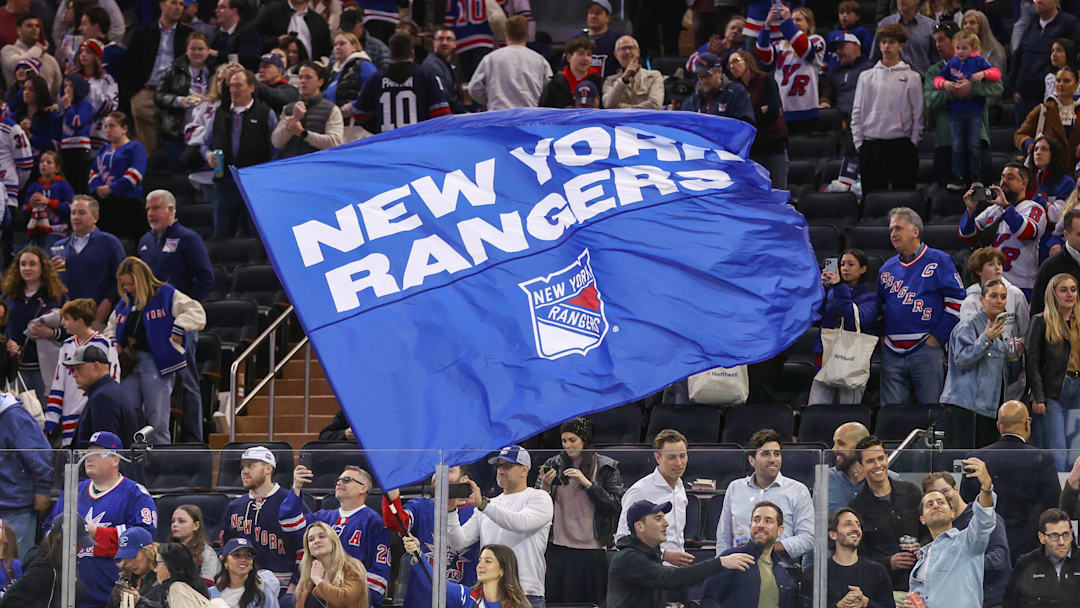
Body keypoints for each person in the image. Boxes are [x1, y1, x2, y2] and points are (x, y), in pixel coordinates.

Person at [46, 431, 158, 608]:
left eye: (97, 453)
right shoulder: (73, 489)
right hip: (69, 591)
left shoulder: (136, 494)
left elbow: (145, 539)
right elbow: (50, 531)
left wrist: (96, 533)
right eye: (87, 452)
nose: (89, 458)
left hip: (112, 593)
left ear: (115, 459)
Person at [137, 189, 212, 442]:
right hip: (151, 326)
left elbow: (205, 277)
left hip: (180, 327)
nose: (151, 214)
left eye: (156, 208)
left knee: (187, 381)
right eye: (148, 209)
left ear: (171, 209)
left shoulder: (187, 238)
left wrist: (184, 312)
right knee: (154, 383)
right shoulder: (145, 242)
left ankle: (194, 441)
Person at [106, 256, 205, 444]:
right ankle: (134, 464)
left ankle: (161, 465)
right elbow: (111, 326)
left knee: (157, 420)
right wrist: (113, 342)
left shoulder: (166, 294)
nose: (127, 288)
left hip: (156, 364)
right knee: (131, 417)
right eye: (124, 284)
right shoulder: (125, 303)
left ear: (142, 279)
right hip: (128, 364)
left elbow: (197, 312)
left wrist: (179, 327)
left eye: (130, 284)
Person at [878, 207, 966, 404]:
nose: (893, 234)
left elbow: (958, 301)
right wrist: (883, 335)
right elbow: (879, 307)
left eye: (898, 228)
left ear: (915, 231)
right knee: (891, 416)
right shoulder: (886, 269)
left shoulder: (939, 260)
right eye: (891, 230)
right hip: (892, 351)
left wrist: (938, 337)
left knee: (931, 412)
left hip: (926, 349)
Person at [448, 445, 552, 608]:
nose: (501, 470)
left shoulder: (539, 498)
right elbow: (458, 542)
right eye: (499, 466)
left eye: (507, 466)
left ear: (524, 470)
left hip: (526, 594)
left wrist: (483, 504)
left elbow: (521, 523)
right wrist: (450, 509)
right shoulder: (489, 505)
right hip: (490, 595)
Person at [959, 401, 1062, 562]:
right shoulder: (1042, 459)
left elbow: (966, 506)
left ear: (999, 426)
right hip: (1029, 550)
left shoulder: (974, 458)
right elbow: (1052, 506)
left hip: (985, 549)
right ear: (1027, 424)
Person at [536, 417, 624, 604]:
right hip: (558, 549)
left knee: (590, 602)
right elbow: (537, 507)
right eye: (564, 441)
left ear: (584, 440)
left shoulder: (606, 467)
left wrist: (588, 484)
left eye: (572, 440)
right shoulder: (554, 463)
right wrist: (544, 486)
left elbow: (614, 506)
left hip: (591, 551)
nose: (568, 445)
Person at [607, 499, 756, 608]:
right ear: (639, 527)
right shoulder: (628, 559)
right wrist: (720, 562)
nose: (666, 523)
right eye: (658, 518)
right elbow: (670, 578)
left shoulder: (650, 555)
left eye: (664, 518)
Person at [279, 464, 391, 605]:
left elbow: (379, 571)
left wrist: (358, 599)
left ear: (363, 488)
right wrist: (296, 487)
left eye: (347, 480)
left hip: (349, 596)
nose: (339, 482)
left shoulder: (374, 522)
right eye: (338, 480)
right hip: (316, 591)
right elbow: (289, 524)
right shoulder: (323, 517)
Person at [903, 457, 996, 608]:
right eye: (929, 504)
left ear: (952, 513)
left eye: (941, 502)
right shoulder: (921, 558)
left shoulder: (968, 540)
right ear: (922, 519)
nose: (935, 506)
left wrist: (986, 487)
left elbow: (984, 519)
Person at [382, 466, 479, 608]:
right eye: (436, 471)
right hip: (420, 601)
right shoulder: (420, 506)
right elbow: (396, 523)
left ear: (464, 480)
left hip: (463, 602)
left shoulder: (477, 514)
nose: (439, 475)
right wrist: (392, 496)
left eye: (449, 470)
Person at [940, 278, 1022, 439]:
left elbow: (1008, 377)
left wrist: (1016, 358)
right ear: (982, 300)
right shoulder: (967, 325)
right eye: (994, 296)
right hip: (965, 407)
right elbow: (962, 360)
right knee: (965, 460)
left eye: (1003, 297)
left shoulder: (1003, 331)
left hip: (990, 408)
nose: (999, 301)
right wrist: (986, 338)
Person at [715, 429, 814, 561]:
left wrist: (769, 548)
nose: (773, 459)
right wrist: (723, 565)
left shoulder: (798, 490)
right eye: (766, 454)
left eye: (777, 454)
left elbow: (808, 537)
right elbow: (724, 536)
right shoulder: (735, 488)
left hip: (781, 568)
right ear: (752, 460)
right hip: (740, 569)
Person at [924, 20, 1000, 189]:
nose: (937, 45)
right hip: (946, 141)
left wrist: (971, 88)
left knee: (982, 195)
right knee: (948, 195)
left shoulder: (978, 64)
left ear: (955, 41)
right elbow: (930, 98)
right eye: (935, 40)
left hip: (977, 137)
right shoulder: (934, 71)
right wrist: (952, 90)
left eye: (942, 39)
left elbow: (998, 87)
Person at [849, 435, 927, 595]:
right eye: (870, 461)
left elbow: (930, 531)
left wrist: (922, 549)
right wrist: (888, 562)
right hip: (885, 589)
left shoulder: (912, 492)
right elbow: (858, 555)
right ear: (860, 466)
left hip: (923, 583)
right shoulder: (856, 508)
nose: (878, 465)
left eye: (881, 458)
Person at [852, 24, 923, 194]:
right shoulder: (866, 76)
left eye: (891, 42)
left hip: (902, 145)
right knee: (872, 197)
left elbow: (918, 113)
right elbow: (857, 110)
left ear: (901, 45)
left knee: (905, 196)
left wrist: (913, 142)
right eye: (883, 42)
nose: (886, 46)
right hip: (871, 145)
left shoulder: (912, 77)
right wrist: (858, 142)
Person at [922, 472, 1011, 608]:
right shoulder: (932, 539)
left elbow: (999, 557)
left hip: (993, 600)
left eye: (944, 491)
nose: (939, 501)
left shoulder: (982, 518)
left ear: (956, 489)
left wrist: (962, 563)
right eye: (933, 497)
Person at [206, 69, 277, 239]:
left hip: (253, 184)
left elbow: (275, 149)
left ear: (252, 87)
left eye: (239, 85)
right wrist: (208, 155)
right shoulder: (220, 113)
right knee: (221, 235)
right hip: (224, 183)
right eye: (231, 86)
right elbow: (204, 143)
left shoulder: (266, 113)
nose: (233, 90)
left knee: (255, 235)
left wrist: (266, 177)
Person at [221, 446, 301, 591]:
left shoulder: (289, 501)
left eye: (251, 465)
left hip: (283, 586)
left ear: (268, 469)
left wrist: (294, 586)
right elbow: (226, 548)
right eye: (243, 467)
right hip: (242, 585)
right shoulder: (234, 507)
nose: (244, 471)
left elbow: (305, 548)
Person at [45, 298, 118, 446]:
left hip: (97, 410)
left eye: (66, 319)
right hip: (69, 412)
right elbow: (58, 382)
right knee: (71, 458)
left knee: (95, 453)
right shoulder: (66, 346)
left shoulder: (105, 344)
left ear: (79, 320)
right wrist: (52, 416)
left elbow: (114, 379)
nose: (63, 323)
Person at [812, 248, 880, 404]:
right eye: (842, 264)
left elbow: (854, 318)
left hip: (852, 358)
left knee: (848, 411)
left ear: (863, 269)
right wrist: (822, 290)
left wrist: (838, 287)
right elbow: (817, 317)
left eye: (851, 264)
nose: (845, 268)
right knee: (816, 408)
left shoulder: (870, 298)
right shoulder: (832, 292)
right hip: (826, 355)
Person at [125, 0, 192, 156]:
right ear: (162, 5)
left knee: (172, 152)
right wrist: (132, 95)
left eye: (181, 4)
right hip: (146, 95)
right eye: (174, 3)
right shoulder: (141, 34)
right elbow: (128, 67)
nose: (178, 7)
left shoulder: (188, 35)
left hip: (175, 96)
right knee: (146, 153)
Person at [615, 429, 691, 567]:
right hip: (651, 572)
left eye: (682, 456)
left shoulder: (680, 487)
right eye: (672, 457)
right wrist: (663, 555)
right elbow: (622, 539)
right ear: (658, 458)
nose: (679, 463)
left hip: (678, 573)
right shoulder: (640, 491)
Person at [1027, 272, 1080, 467]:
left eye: (1073, 290)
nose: (1070, 294)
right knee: (1057, 453)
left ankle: (1074, 496)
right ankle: (1057, 497)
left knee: (1076, 455)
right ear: (1053, 294)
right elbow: (1032, 362)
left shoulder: (1079, 321)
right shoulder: (1041, 321)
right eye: (1064, 290)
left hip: (1078, 388)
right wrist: (1038, 396)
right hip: (1053, 391)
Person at [700, 501, 796, 607]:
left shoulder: (782, 572)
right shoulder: (730, 558)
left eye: (768, 521)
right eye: (756, 520)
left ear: (780, 530)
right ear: (750, 526)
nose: (760, 525)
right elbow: (709, 599)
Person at [4, 245, 67, 406]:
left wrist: (51, 333)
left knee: (46, 414)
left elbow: (73, 329)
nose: (27, 268)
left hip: (46, 368)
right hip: (16, 368)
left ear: (42, 267)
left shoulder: (56, 297)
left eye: (32, 264)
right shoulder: (8, 296)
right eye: (23, 264)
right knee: (17, 414)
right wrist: (7, 344)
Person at [347, 34, 449, 133]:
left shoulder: (376, 78)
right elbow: (442, 113)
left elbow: (360, 115)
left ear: (390, 54)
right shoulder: (426, 75)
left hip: (386, 143)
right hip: (418, 142)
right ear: (412, 54)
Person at [50, 195, 125, 328]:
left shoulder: (110, 243)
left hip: (96, 317)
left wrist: (107, 304)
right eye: (73, 213)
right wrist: (49, 273)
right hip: (65, 317)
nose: (76, 217)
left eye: (82, 213)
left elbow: (121, 279)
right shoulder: (59, 246)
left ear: (95, 217)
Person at [0, 380, 51, 564]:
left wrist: (43, 489)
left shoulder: (14, 416)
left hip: (16, 508)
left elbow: (41, 455)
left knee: (15, 570)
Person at [1009, 0, 1080, 127]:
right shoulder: (1032, 23)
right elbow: (1019, 56)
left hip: (1053, 96)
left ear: (1056, 1)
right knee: (1024, 140)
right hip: (1024, 96)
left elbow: (1074, 57)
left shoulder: (1069, 23)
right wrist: (1014, 87)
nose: (1037, 1)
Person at [756, 6, 826, 133]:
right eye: (792, 20)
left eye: (798, 20)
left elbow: (804, 49)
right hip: (782, 109)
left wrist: (787, 20)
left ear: (809, 25)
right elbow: (763, 55)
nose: (794, 23)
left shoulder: (817, 40)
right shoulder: (780, 45)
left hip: (806, 109)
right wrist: (767, 25)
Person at [725, 49, 788, 190]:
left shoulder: (765, 80)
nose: (732, 66)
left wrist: (751, 117)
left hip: (773, 144)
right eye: (729, 64)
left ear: (747, 61)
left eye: (736, 61)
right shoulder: (735, 90)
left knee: (777, 189)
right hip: (751, 148)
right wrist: (760, 111)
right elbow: (737, 120)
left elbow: (773, 111)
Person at [403, 539, 530, 608]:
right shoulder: (466, 596)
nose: (480, 565)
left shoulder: (517, 606)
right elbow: (435, 584)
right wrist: (417, 555)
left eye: (488, 561)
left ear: (502, 570)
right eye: (480, 560)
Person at [153, 32, 213, 170]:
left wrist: (209, 99)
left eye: (201, 49)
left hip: (206, 133)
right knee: (177, 171)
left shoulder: (215, 71)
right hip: (177, 130)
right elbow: (158, 96)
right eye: (193, 48)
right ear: (186, 50)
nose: (197, 52)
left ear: (208, 51)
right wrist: (180, 101)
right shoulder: (173, 70)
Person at [466, 15, 551, 111]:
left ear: (506, 35)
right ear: (528, 36)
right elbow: (550, 89)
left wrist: (490, 100)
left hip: (498, 115)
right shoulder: (540, 60)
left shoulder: (491, 59)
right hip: (529, 116)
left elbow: (474, 88)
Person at [2, 517, 92, 606]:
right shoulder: (41, 569)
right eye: (78, 543)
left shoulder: (64, 562)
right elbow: (10, 600)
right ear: (61, 538)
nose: (81, 549)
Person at [88, 112, 148, 241]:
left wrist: (112, 188)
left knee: (127, 241)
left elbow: (136, 173)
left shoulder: (135, 147)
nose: (107, 130)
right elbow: (93, 172)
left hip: (128, 202)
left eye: (112, 126)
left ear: (124, 129)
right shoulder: (103, 150)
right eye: (105, 126)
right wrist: (98, 188)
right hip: (105, 203)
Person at [1003, 507, 1080, 608]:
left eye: (1066, 534)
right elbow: (1010, 603)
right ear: (1041, 537)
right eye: (1054, 536)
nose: (1061, 542)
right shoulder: (1026, 563)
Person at [66, 344, 138, 448]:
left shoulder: (103, 397)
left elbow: (104, 450)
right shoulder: (110, 390)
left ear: (96, 366)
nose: (74, 374)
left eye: (79, 368)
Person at [1015, 67, 1080, 177]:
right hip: (1049, 175)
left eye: (1066, 81)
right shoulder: (1042, 109)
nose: (1061, 84)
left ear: (1076, 85)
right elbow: (1019, 134)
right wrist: (1029, 144)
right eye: (1058, 80)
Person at [826, 508, 896, 608]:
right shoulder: (818, 574)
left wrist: (866, 603)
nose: (855, 528)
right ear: (833, 534)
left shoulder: (878, 571)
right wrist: (839, 606)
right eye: (848, 524)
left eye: (858, 525)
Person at [271, 62, 343, 158]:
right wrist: (293, 120)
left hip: (317, 165)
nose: (303, 81)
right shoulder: (288, 108)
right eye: (300, 77)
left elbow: (335, 143)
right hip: (291, 164)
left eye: (308, 77)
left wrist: (303, 133)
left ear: (320, 82)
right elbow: (276, 142)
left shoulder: (332, 109)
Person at [293, 522, 369, 608]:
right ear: (308, 548)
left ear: (333, 541)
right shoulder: (308, 573)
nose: (316, 541)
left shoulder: (351, 566)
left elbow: (344, 599)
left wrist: (318, 580)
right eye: (311, 540)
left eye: (321, 536)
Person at [1026, 136, 1075, 260]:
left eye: (1044, 149)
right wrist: (1047, 204)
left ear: (1053, 154)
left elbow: (1058, 216)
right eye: (1036, 149)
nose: (1038, 152)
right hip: (1029, 239)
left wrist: (1040, 202)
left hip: (1050, 239)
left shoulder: (1065, 182)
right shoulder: (1030, 180)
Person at [680, 52, 755, 123]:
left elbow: (746, 126)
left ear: (719, 72)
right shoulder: (691, 101)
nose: (704, 81)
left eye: (708, 76)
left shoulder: (736, 93)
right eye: (700, 76)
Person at [0, 15, 61, 99]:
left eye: (37, 26)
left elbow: (57, 89)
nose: (34, 28)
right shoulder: (8, 50)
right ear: (18, 30)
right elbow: (22, 65)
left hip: (44, 109)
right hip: (17, 107)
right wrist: (38, 48)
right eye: (29, 25)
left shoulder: (50, 59)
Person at [23, 150, 73, 249]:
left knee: (49, 254)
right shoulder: (34, 186)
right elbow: (24, 211)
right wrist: (30, 206)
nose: (44, 165)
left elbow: (70, 209)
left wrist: (49, 202)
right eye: (41, 161)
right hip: (35, 231)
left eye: (49, 162)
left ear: (57, 168)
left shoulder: (63, 185)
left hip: (56, 231)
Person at [209, 538, 280, 608]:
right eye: (237, 555)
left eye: (248, 555)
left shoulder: (264, 592)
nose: (243, 559)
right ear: (225, 562)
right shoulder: (211, 594)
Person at [872, 0, 937, 75]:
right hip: (889, 79)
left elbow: (937, 61)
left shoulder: (930, 26)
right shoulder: (885, 24)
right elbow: (874, 57)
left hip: (921, 81)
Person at [540, 35, 604, 110]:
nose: (586, 58)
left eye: (589, 55)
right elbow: (544, 111)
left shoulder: (598, 81)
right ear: (569, 57)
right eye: (581, 54)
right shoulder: (555, 83)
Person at [255, 0, 332, 61]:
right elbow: (255, 38)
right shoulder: (270, 12)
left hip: (308, 72)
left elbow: (326, 51)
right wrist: (276, 40)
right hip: (274, 69)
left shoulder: (319, 21)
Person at [828, 422, 878, 515]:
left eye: (841, 443)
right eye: (834, 443)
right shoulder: (825, 479)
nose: (834, 449)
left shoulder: (888, 479)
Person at [602, 35, 662, 110]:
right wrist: (623, 80)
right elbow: (608, 105)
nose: (627, 52)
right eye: (622, 49)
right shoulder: (610, 81)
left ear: (638, 52)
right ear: (616, 55)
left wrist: (621, 107)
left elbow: (655, 105)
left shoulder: (654, 76)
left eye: (631, 48)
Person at [821, 31, 872, 117]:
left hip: (865, 117)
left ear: (855, 46)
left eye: (841, 47)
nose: (837, 52)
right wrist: (824, 102)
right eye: (836, 49)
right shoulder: (834, 73)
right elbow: (826, 95)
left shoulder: (872, 68)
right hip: (838, 120)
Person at [108, 527, 162, 608]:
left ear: (148, 551)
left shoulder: (164, 580)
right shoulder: (123, 581)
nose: (128, 564)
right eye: (124, 557)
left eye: (132, 556)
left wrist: (141, 603)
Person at [60, 73, 94, 195]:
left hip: (80, 148)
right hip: (65, 148)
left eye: (71, 86)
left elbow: (76, 121)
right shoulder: (65, 107)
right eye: (65, 86)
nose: (67, 89)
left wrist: (68, 107)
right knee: (69, 183)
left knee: (80, 183)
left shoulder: (85, 104)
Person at [171, 505, 221, 586]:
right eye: (173, 521)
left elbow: (207, 588)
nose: (174, 524)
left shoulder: (207, 553)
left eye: (181, 521)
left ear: (196, 525)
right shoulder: (167, 551)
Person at [422, 26, 465, 114]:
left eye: (448, 39)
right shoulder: (432, 64)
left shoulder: (449, 64)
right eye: (440, 39)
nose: (444, 43)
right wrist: (463, 112)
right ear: (434, 43)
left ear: (455, 44)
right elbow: (444, 95)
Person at [325, 32, 374, 107]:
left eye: (342, 44)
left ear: (354, 47)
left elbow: (373, 90)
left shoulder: (364, 65)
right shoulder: (334, 71)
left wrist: (353, 106)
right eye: (335, 44)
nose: (337, 47)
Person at [210, 0, 261, 69]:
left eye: (222, 7)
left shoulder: (249, 32)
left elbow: (249, 58)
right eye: (217, 7)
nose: (216, 11)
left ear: (234, 10)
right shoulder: (214, 33)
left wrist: (218, 54)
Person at [582, 0, 620, 78]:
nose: (593, 16)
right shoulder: (577, 40)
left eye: (598, 13)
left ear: (608, 18)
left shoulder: (617, 41)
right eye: (590, 13)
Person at [1042, 38, 1078, 105]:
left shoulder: (1078, 76)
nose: (1054, 54)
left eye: (1059, 50)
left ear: (1069, 52)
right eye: (1052, 51)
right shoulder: (1049, 78)